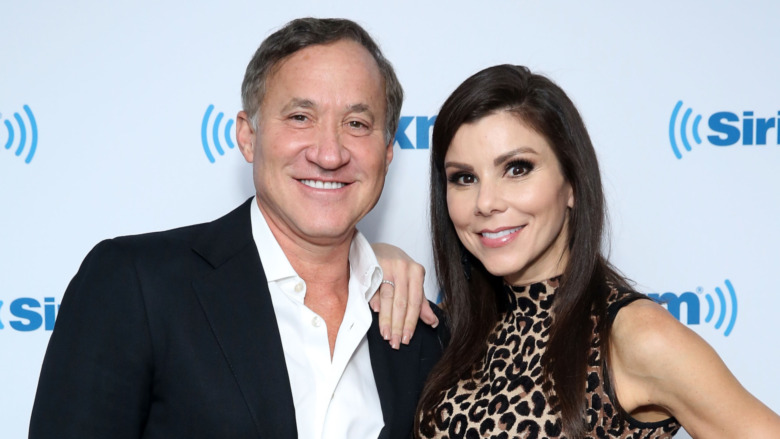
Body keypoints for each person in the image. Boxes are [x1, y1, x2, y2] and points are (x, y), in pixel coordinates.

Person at [29, 18, 441, 439]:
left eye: (357, 123)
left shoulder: (426, 333)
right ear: (247, 136)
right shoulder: (135, 284)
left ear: (388, 151)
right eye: (300, 117)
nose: (329, 153)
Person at [413, 64, 780, 438]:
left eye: (517, 168)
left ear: (571, 182)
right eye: (464, 177)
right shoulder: (453, 328)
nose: (486, 202)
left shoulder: (633, 337)